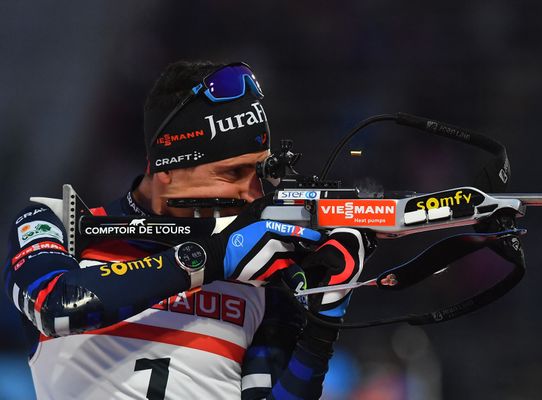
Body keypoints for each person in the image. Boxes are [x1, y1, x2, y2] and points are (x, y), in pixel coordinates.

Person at [3, 61, 373, 399]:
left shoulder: (262, 270)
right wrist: (213, 258)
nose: (254, 194)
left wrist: (323, 324)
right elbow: (55, 306)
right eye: (232, 174)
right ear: (168, 169)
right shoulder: (53, 220)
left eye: (261, 172)